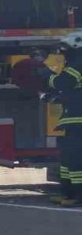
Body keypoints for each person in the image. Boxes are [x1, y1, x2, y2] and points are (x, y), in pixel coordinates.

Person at [47, 32, 82, 206]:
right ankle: (68, 193)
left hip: (78, 120)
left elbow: (63, 82)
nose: (63, 54)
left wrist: (47, 75)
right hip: (74, 119)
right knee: (67, 157)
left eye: (65, 50)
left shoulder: (79, 64)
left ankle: (78, 196)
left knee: (76, 159)